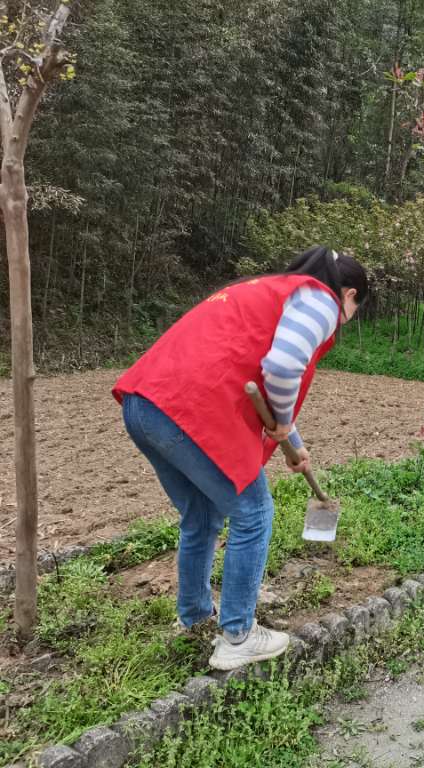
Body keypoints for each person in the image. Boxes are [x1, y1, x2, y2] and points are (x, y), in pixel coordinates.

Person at [113, 246, 368, 671]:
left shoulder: (270, 291)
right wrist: (283, 423)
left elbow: (249, 368)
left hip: (146, 405)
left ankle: (194, 616)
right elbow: (283, 367)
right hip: (188, 411)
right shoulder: (321, 299)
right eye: (357, 307)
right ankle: (238, 635)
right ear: (350, 294)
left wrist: (294, 443)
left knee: (201, 515)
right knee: (254, 513)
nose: (350, 315)